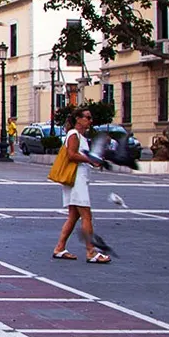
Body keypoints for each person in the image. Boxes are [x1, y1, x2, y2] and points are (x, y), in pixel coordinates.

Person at [52, 108, 109, 263]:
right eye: (87, 118)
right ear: (78, 119)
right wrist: (90, 160)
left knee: (74, 215)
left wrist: (92, 161)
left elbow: (79, 155)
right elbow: (71, 155)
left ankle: (60, 248)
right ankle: (91, 252)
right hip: (76, 180)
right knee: (86, 216)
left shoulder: (79, 136)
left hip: (77, 178)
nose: (90, 121)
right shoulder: (74, 134)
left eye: (91, 118)